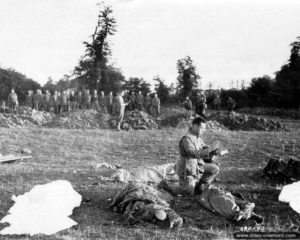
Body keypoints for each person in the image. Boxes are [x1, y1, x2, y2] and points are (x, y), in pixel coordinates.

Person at [175, 117, 219, 195]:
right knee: (189, 192)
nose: (204, 131)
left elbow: (205, 148)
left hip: (197, 169)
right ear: (195, 126)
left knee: (214, 169)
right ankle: (170, 186)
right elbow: (193, 153)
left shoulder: (198, 139)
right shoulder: (187, 139)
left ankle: (201, 186)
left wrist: (213, 152)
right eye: (202, 128)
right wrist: (208, 151)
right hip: (187, 173)